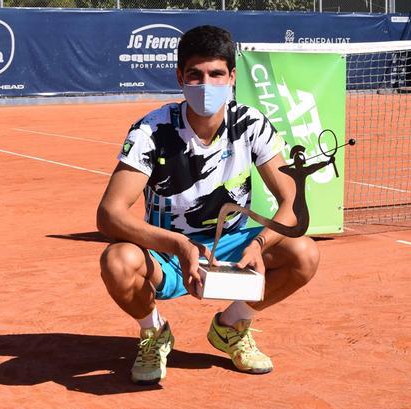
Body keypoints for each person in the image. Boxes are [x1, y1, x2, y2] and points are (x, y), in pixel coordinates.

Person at [95, 25, 320, 385]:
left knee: (304, 254)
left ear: (232, 77)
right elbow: (109, 214)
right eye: (195, 75)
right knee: (118, 261)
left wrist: (259, 245)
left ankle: (231, 326)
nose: (206, 85)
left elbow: (291, 203)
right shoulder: (152, 131)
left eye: (216, 74)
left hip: (231, 246)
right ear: (180, 77)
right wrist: (178, 245)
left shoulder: (250, 124)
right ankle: (154, 332)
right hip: (167, 252)